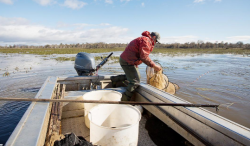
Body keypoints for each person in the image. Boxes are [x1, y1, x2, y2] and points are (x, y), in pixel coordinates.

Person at [119, 31, 162, 101]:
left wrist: (136, 63)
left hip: (129, 60)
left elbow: (139, 54)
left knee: (135, 77)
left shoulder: (145, 39)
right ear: (154, 37)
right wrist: (154, 66)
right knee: (135, 82)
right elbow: (144, 57)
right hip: (127, 61)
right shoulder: (146, 41)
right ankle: (124, 101)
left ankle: (114, 79)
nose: (155, 42)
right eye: (156, 41)